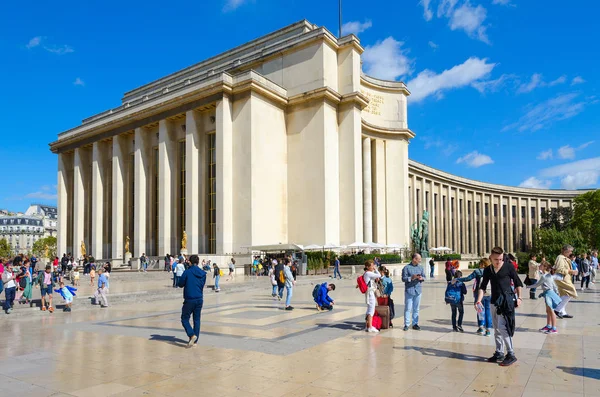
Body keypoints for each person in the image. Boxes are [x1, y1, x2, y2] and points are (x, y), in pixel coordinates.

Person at [476, 247, 523, 367]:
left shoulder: (508, 267)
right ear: (491, 258)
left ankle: (511, 353)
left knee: (503, 327)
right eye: (496, 259)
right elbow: (483, 286)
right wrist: (478, 300)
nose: (498, 261)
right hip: (493, 301)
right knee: (496, 328)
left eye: (501, 259)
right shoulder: (488, 270)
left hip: (506, 302)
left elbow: (518, 282)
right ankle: (499, 352)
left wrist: (519, 297)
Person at [177, 255, 206, 347]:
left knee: (184, 319)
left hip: (189, 299)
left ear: (189, 262)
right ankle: (195, 341)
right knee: (197, 320)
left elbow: (180, 284)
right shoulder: (203, 273)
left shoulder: (187, 272)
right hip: (199, 298)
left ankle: (191, 335)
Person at [527, 261, 560, 334]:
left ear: (544, 267)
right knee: (548, 311)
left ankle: (554, 328)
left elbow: (537, 285)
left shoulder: (544, 276)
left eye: (541, 265)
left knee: (551, 311)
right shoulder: (548, 275)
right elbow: (554, 285)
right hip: (548, 294)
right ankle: (548, 325)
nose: (539, 265)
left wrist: (528, 286)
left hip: (549, 294)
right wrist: (556, 293)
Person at [401, 253, 426, 331]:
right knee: (408, 308)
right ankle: (406, 324)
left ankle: (415, 323)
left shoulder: (421, 267)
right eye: (419, 259)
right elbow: (403, 278)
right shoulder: (406, 268)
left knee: (416, 308)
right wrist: (411, 278)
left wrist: (421, 278)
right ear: (414, 259)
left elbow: (424, 276)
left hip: (418, 290)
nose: (420, 260)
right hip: (409, 290)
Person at [553, 245, 578, 319]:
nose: (571, 253)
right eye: (570, 251)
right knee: (571, 291)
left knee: (564, 294)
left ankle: (562, 311)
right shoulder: (560, 258)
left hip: (566, 278)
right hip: (563, 278)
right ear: (566, 251)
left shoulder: (565, 258)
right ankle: (557, 309)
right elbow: (559, 269)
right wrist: (570, 271)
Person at [362, 260, 381, 333]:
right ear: (367, 267)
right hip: (370, 293)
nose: (373, 267)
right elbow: (379, 275)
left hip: (369, 292)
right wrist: (376, 269)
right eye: (372, 266)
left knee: (369, 309)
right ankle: (370, 327)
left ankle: (367, 325)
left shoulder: (367, 273)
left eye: (373, 265)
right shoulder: (368, 273)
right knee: (371, 310)